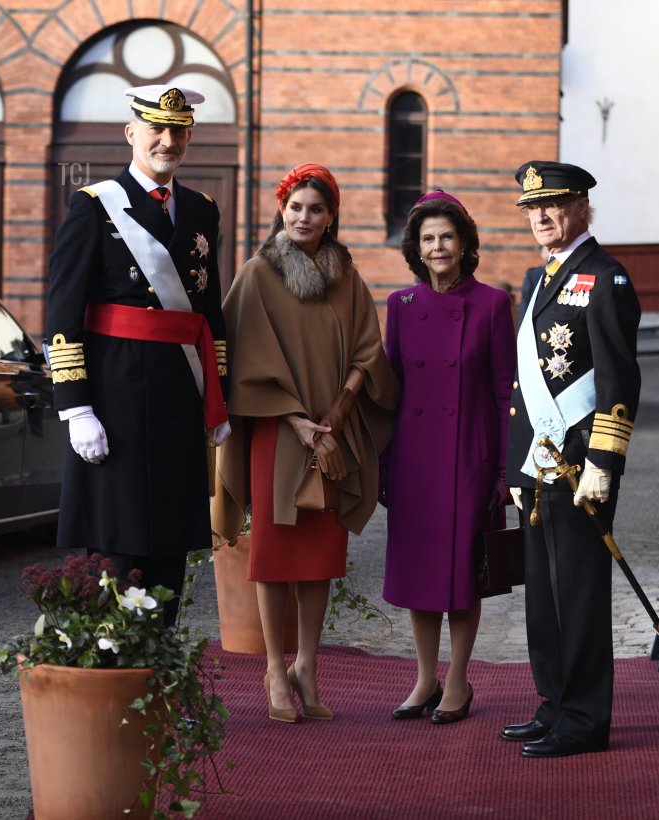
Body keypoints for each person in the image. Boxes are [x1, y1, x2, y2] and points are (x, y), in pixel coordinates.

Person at [215, 164, 397, 723]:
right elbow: (241, 358)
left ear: (331, 216)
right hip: (277, 431)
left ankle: (308, 666)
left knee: (321, 554)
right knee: (273, 553)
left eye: (316, 209)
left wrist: (338, 415)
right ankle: (274, 667)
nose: (304, 217)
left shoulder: (347, 277)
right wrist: (299, 423)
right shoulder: (256, 274)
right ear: (281, 209)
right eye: (296, 207)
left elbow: (369, 350)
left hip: (333, 434)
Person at [44, 83, 229, 621]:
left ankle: (158, 681)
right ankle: (111, 678)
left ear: (189, 137)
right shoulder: (94, 206)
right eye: (156, 129)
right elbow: (62, 313)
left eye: (178, 131)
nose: (167, 140)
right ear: (132, 134)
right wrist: (76, 407)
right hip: (114, 396)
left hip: (177, 394)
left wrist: (218, 392)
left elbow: (207, 310)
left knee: (170, 544)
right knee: (116, 545)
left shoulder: (200, 209)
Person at [502, 160, 642, 758]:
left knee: (579, 595)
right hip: (540, 464)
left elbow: (618, 379)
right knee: (544, 595)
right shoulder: (540, 277)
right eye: (532, 208)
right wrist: (516, 467)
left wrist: (603, 466)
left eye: (553, 205)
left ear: (583, 206)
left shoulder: (606, 278)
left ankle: (585, 720)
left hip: (580, 467)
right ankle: (554, 703)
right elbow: (523, 382)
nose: (541, 217)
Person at [381, 191, 516, 724]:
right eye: (428, 238)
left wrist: (505, 469)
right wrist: (384, 463)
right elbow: (391, 391)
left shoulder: (491, 305)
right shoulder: (400, 306)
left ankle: (458, 679)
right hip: (414, 457)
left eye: (447, 237)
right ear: (417, 247)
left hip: (469, 455)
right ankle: (424, 678)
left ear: (464, 244)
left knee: (463, 571)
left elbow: (507, 392)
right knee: (419, 569)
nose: (438, 247)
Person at [517, 246, 551, 317]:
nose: (550, 252)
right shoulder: (533, 274)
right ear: (541, 253)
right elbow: (525, 302)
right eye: (547, 250)